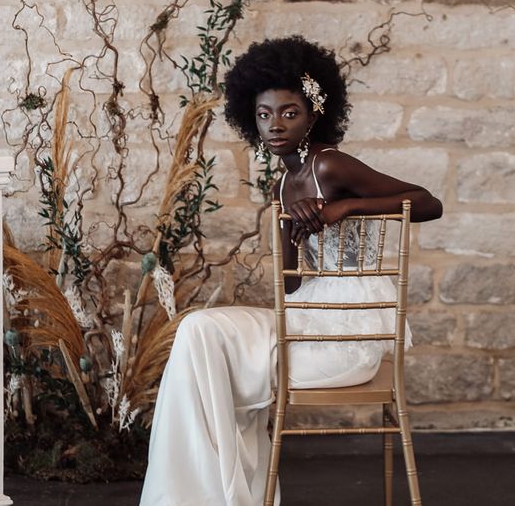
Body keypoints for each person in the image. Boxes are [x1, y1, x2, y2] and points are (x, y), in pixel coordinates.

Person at [139, 36, 442, 506]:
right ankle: (207, 493)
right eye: (264, 115)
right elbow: (294, 282)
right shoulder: (285, 184)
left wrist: (345, 209)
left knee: (206, 340)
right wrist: (286, 226)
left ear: (313, 112)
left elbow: (427, 203)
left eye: (288, 112)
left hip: (351, 333)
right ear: (250, 119)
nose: (275, 125)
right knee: (197, 331)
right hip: (309, 313)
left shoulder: (330, 164)